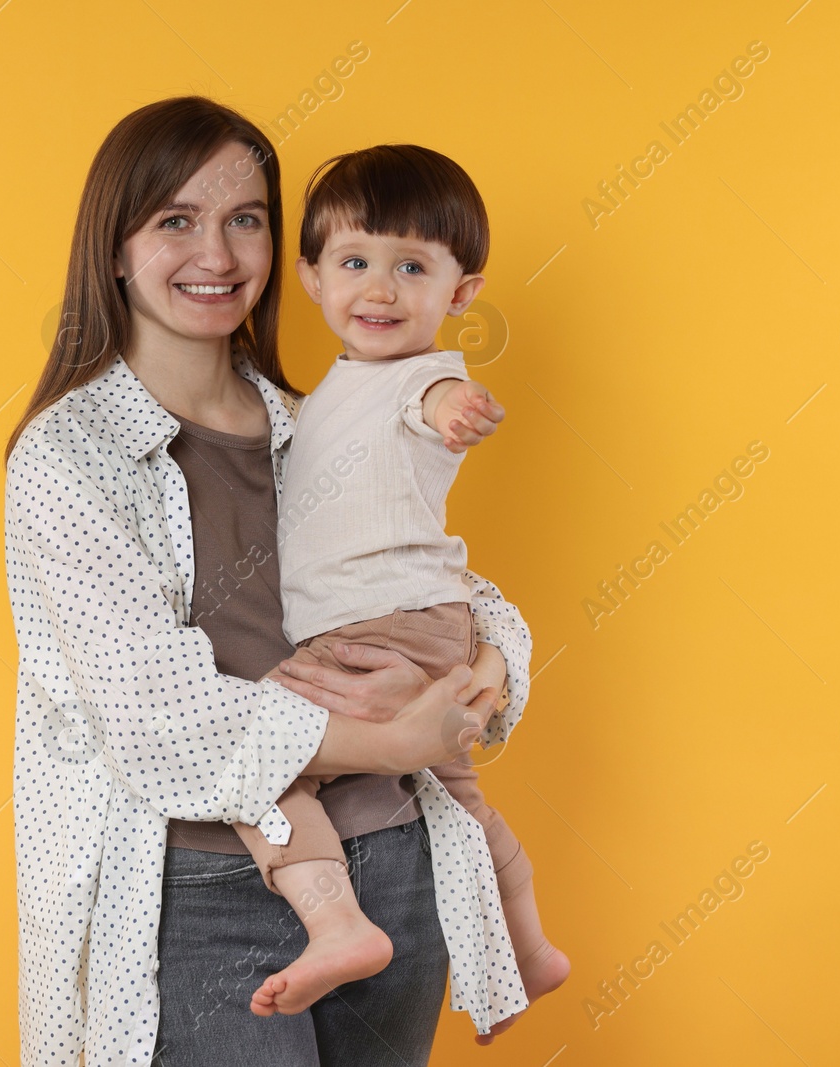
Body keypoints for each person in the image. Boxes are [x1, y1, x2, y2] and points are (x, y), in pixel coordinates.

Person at [4, 95, 535, 1067]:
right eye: (175, 220)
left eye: (243, 218)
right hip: (195, 888)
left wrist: (494, 659)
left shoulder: (308, 420)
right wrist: (392, 730)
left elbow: (423, 572)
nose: (215, 253)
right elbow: (152, 712)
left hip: (391, 860)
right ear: (114, 248)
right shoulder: (71, 456)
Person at [229, 145, 570, 1034]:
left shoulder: (415, 377)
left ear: (460, 294)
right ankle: (529, 947)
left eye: (411, 267)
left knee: (246, 753)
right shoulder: (326, 395)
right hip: (420, 622)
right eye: (355, 263)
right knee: (459, 800)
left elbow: (437, 400)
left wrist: (456, 407)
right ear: (310, 276)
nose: (379, 290)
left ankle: (336, 923)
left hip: (380, 629)